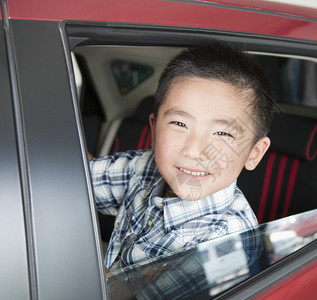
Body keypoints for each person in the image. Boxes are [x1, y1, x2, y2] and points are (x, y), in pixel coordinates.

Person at [90, 42, 275, 271]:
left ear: (254, 153)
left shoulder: (226, 242)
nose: (193, 150)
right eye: (180, 123)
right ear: (154, 129)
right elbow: (81, 180)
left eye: (223, 133)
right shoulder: (146, 167)